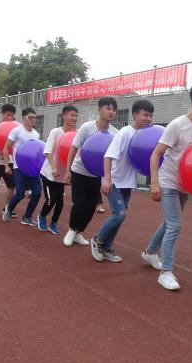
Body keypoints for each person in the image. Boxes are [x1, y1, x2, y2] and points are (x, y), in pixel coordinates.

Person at [143, 82, 192, 290]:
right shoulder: (177, 125)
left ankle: (149, 252)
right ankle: (165, 272)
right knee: (175, 224)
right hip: (169, 182)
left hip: (186, 185)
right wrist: (154, 183)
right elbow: (156, 154)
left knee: (168, 223)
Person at [90, 100, 154, 263]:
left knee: (120, 216)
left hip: (128, 183)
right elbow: (108, 156)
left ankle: (106, 247)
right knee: (119, 215)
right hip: (115, 181)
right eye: (145, 115)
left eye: (151, 116)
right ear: (135, 115)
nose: (148, 119)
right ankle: (97, 240)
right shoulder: (125, 132)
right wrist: (107, 180)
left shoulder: (144, 136)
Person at [63, 96, 119, 247]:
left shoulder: (115, 133)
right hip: (79, 171)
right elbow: (74, 148)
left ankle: (79, 232)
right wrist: (68, 170)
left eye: (114, 110)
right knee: (79, 203)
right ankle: (71, 230)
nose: (111, 112)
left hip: (96, 174)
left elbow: (113, 158)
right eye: (108, 108)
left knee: (91, 206)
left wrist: (107, 178)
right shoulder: (87, 127)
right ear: (99, 109)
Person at [37, 105, 78, 234]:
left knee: (60, 203)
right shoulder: (55, 132)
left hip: (62, 175)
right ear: (64, 116)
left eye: (76, 116)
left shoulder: (76, 135)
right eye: (72, 115)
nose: (74, 118)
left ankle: (53, 223)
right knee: (51, 200)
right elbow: (48, 151)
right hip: (49, 173)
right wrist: (53, 167)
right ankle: (41, 217)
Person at [2, 107, 41, 226]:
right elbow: (6, 147)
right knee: (20, 193)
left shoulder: (36, 134)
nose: (33, 120)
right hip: (19, 167)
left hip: (33, 169)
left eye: (34, 118)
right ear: (24, 118)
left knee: (37, 192)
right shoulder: (16, 131)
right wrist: (6, 165)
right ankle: (9, 209)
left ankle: (27, 217)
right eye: (30, 117)